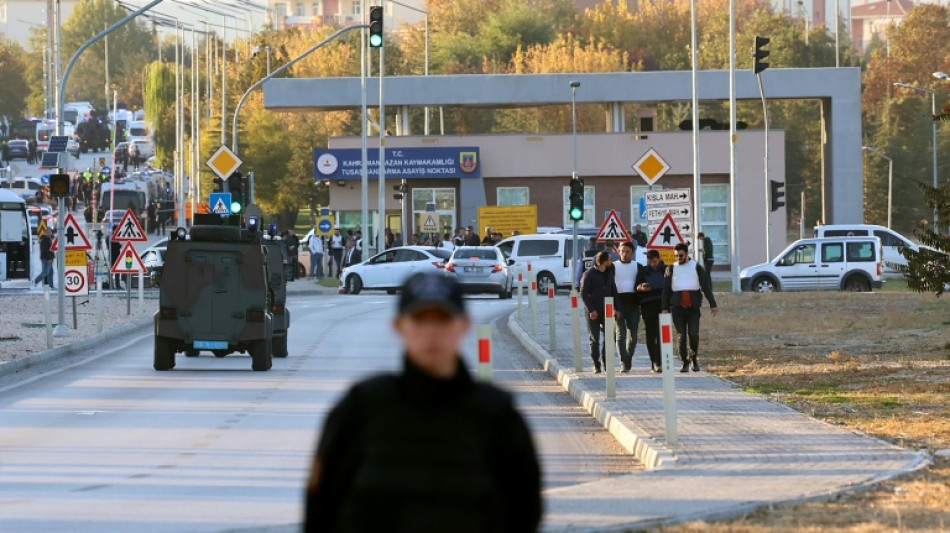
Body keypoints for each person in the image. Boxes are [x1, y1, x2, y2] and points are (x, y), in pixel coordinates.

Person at [305, 273, 542, 531]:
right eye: (419, 319)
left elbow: (524, 512)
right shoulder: (361, 410)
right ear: (399, 326)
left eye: (443, 319)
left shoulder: (496, 417)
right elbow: (321, 510)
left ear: (463, 325)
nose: (431, 331)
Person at [662, 242, 719, 373]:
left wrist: (713, 304)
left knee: (693, 333)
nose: (678, 258)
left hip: (693, 308)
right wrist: (664, 307)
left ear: (687, 254)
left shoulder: (696, 267)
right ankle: (684, 362)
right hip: (677, 309)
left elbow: (706, 287)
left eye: (681, 255)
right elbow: (666, 290)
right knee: (681, 335)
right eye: (676, 256)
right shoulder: (670, 268)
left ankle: (693, 359)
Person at [581, 251, 619, 373]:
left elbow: (614, 291)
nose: (611, 261)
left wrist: (617, 308)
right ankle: (596, 364)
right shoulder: (589, 274)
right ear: (603, 261)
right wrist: (591, 310)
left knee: (609, 337)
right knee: (594, 338)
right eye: (609, 259)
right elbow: (583, 294)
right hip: (593, 311)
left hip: (607, 311)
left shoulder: (609, 273)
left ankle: (606, 362)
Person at [613, 241, 642, 373]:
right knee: (620, 334)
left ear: (633, 253)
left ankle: (628, 358)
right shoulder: (613, 267)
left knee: (633, 335)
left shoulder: (638, 266)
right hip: (618, 304)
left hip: (633, 304)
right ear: (618, 251)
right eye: (622, 251)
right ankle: (623, 362)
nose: (624, 254)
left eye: (627, 252)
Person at [636, 249, 666, 372]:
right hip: (648, 306)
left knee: (661, 335)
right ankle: (653, 360)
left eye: (654, 261)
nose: (653, 264)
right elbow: (636, 287)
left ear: (659, 258)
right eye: (650, 262)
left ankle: (658, 362)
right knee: (650, 335)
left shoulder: (666, 270)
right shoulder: (643, 271)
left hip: (663, 306)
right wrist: (641, 288)